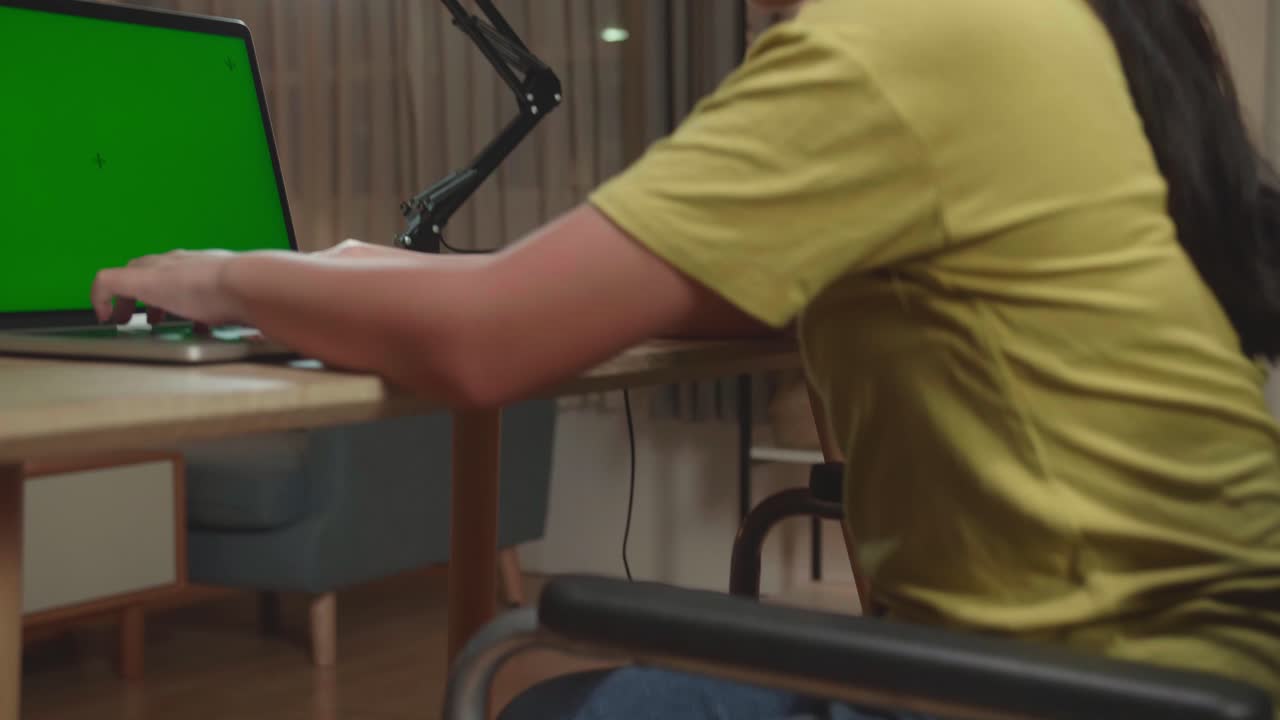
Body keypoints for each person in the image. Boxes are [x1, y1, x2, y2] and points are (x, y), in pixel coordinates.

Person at [91, 0, 1280, 718]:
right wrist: (366, 273)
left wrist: (226, 276)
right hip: (1200, 667)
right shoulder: (1041, 28)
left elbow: (486, 343)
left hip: (1076, 683)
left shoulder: (897, 41)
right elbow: (704, 294)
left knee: (540, 698)